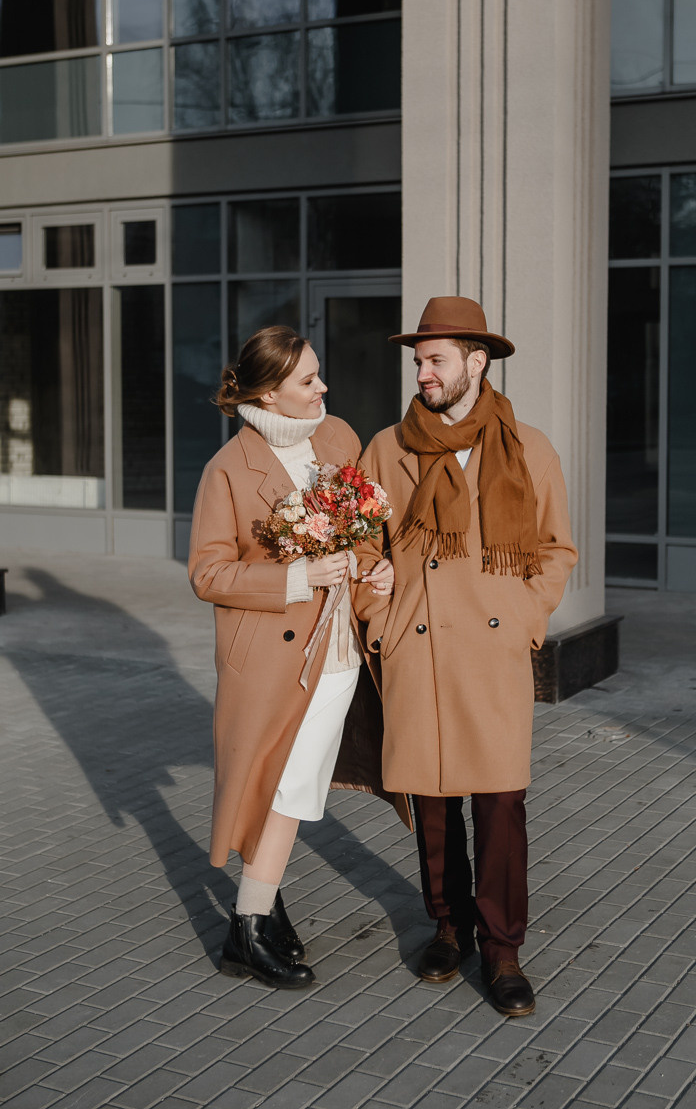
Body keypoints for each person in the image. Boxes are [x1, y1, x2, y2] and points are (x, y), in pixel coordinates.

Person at [353, 297, 578, 1017]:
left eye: (435, 359)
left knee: (501, 802)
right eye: (417, 360)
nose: (422, 373)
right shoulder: (387, 448)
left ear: (475, 362)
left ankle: (503, 946)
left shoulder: (527, 448)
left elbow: (554, 549)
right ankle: (447, 925)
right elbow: (361, 547)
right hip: (416, 648)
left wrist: (522, 620)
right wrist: (379, 616)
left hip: (491, 651)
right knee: (433, 798)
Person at [189, 325, 404, 990]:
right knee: (284, 784)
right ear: (268, 394)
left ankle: (255, 912)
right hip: (270, 656)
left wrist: (372, 571)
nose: (323, 387)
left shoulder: (336, 436)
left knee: (295, 782)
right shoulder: (227, 469)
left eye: (319, 374)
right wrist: (294, 579)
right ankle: (249, 926)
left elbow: (362, 530)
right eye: (307, 380)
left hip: (337, 650)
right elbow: (207, 574)